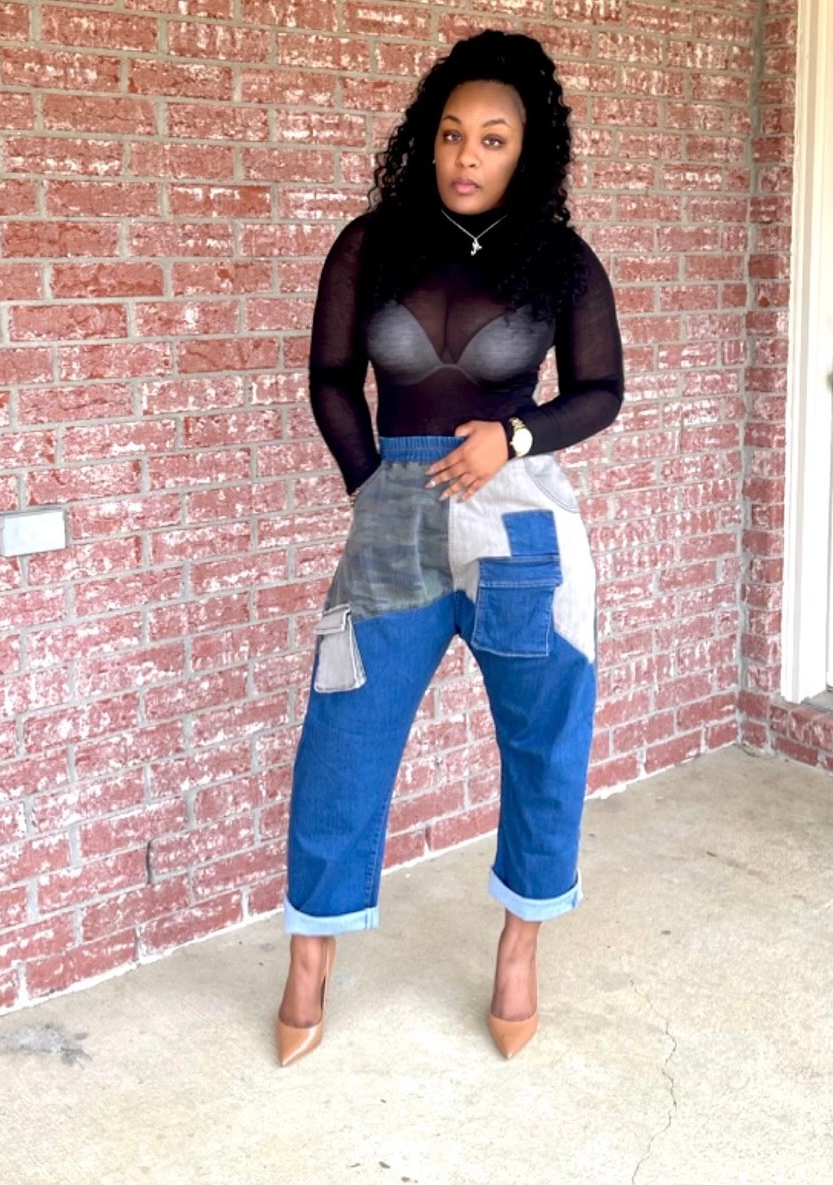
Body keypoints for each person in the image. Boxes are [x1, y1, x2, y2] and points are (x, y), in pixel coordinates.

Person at [276, 29, 624, 1066]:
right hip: (394, 513)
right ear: (426, 141)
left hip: (518, 520)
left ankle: (520, 947)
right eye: (452, 134)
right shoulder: (369, 244)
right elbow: (331, 378)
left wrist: (512, 437)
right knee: (343, 734)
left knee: (544, 736)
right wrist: (369, 483)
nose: (468, 155)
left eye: (494, 138)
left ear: (528, 150)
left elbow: (600, 392)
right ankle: (309, 960)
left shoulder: (559, 261)